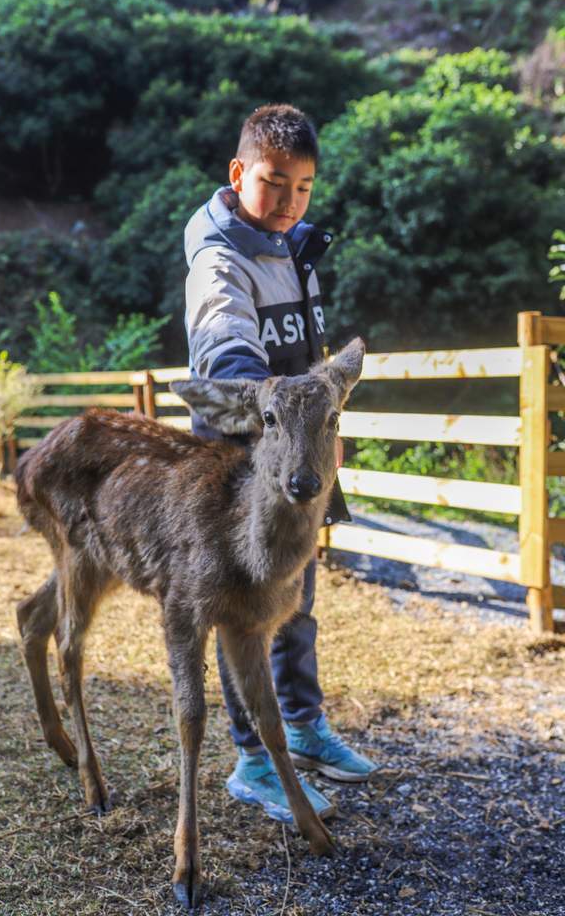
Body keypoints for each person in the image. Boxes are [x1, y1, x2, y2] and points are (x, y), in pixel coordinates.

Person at [183, 103, 377, 824]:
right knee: (247, 613)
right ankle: (254, 760)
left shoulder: (295, 247)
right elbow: (224, 333)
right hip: (241, 467)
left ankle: (301, 726)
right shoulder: (219, 257)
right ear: (238, 174)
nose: (289, 201)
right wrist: (251, 381)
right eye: (274, 183)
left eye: (303, 187)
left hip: (302, 462)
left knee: (298, 606)